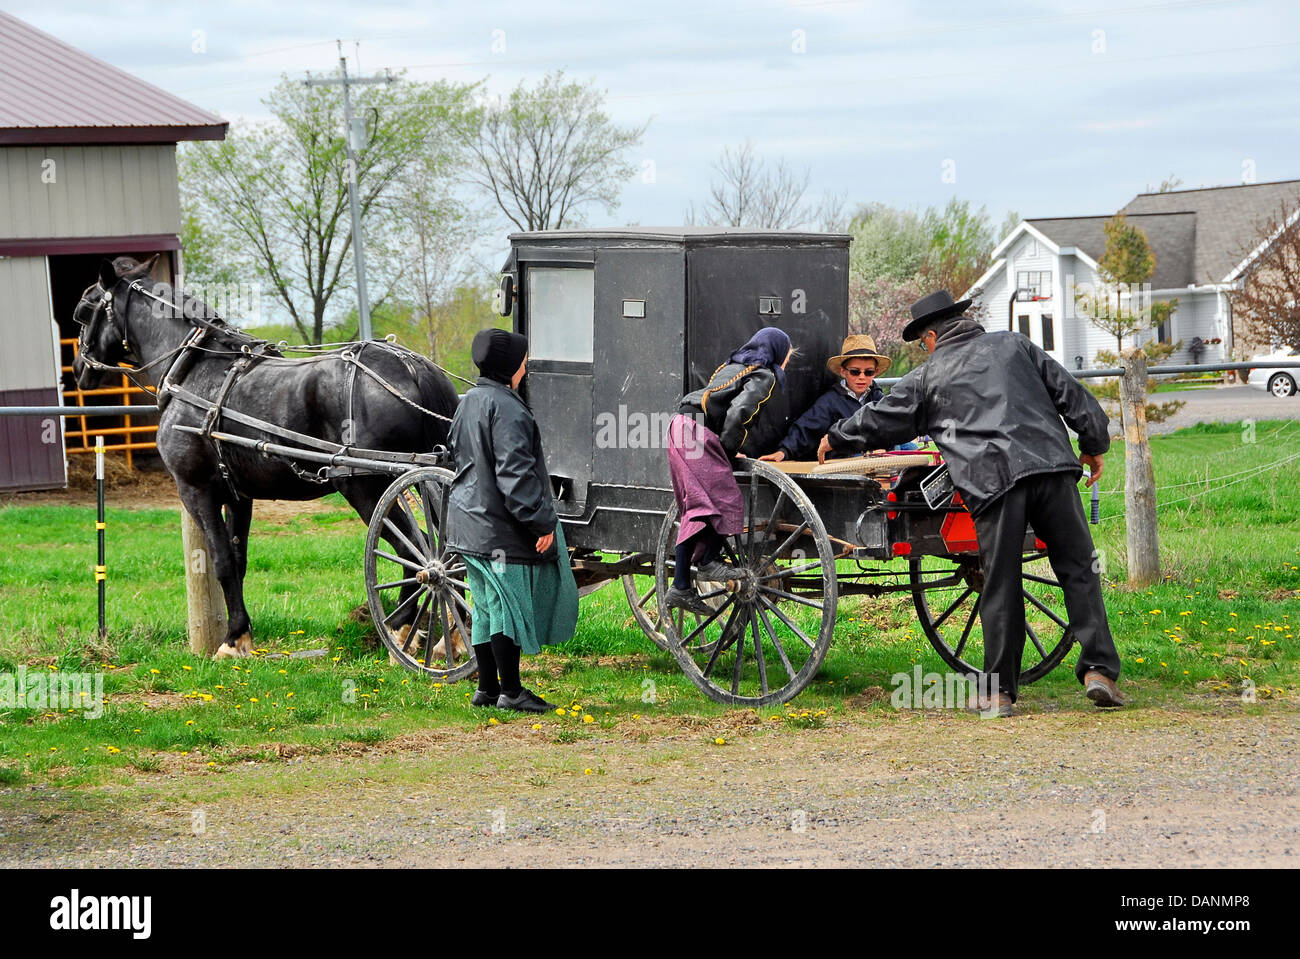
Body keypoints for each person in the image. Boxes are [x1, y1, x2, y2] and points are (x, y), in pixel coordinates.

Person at [817, 291, 1124, 717]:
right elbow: (1071, 394)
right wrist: (1092, 444)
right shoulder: (1016, 345)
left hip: (994, 483)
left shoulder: (930, 375)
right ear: (963, 321)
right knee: (1079, 569)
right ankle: (1099, 672)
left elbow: (883, 418)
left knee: (1000, 581)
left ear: (930, 336)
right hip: (1053, 469)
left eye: (922, 342)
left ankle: (999, 692)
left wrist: (836, 437)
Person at [444, 328, 578, 713]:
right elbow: (515, 478)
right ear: (510, 367)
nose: (526, 365)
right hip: (500, 531)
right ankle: (512, 691)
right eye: (522, 359)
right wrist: (542, 523)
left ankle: (487, 689)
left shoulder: (468, 400)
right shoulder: (509, 409)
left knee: (486, 606)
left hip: (468, 525)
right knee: (507, 606)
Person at [665, 327, 793, 614]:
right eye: (787, 355)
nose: (786, 362)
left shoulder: (734, 365)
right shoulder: (765, 374)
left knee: (696, 506)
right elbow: (740, 412)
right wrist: (727, 448)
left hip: (680, 425)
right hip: (697, 432)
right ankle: (708, 562)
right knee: (727, 502)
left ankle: (681, 585)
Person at [758, 333, 916, 462]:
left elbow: (892, 428)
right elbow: (806, 428)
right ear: (843, 372)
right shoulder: (830, 402)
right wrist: (784, 451)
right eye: (855, 372)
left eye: (868, 372)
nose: (862, 377)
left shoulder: (879, 398)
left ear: (875, 373)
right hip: (847, 460)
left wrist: (884, 448)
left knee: (911, 449)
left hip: (878, 457)